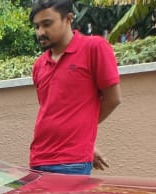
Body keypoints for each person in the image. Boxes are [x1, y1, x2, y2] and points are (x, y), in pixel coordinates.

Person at [29, 0, 121, 175]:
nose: (41, 32)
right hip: (38, 158)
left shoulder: (94, 48)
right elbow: (52, 110)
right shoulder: (39, 65)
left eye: (47, 24)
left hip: (71, 163)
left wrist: (83, 139)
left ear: (68, 19)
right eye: (37, 26)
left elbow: (113, 99)